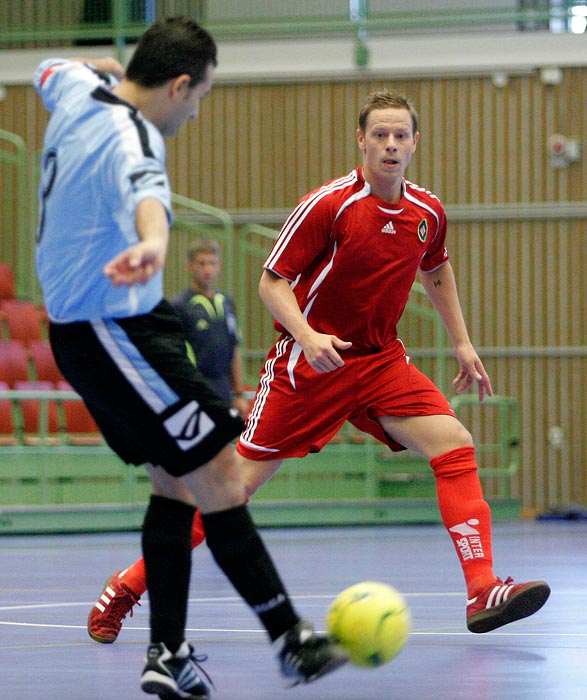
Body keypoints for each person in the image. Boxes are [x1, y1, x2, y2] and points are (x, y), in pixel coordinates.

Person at [88, 88, 551, 645]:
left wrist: (463, 342)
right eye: (379, 134)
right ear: (361, 140)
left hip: (380, 362)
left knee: (454, 441)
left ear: (415, 143)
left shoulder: (427, 213)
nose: (390, 145)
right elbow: (271, 281)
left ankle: (482, 589)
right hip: (309, 369)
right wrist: (306, 337)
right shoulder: (329, 206)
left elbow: (436, 270)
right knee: (227, 490)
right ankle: (129, 585)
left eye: (400, 135)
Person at [34, 16, 347, 700]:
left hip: (115, 323)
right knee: (220, 477)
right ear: (178, 86)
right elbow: (150, 199)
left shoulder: (77, 90)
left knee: (174, 484)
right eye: (200, 94)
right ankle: (289, 637)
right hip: (111, 328)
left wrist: (110, 70)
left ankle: (167, 654)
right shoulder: (134, 137)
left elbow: (51, 69)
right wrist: (152, 244)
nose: (198, 108)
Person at [172, 239, 249, 418]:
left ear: (219, 265)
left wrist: (238, 394)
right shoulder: (180, 305)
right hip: (196, 388)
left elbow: (235, 348)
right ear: (190, 265)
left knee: (226, 441)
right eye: (202, 263)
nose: (208, 269)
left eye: (212, 263)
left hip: (223, 387)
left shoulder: (227, 301)